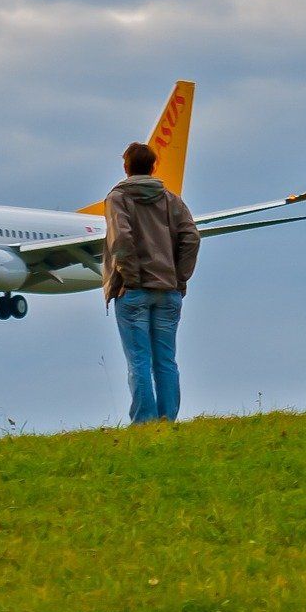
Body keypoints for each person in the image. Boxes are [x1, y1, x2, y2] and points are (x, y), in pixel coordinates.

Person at [101, 141, 200, 424]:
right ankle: (168, 420)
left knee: (139, 361)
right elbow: (192, 238)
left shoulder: (118, 198)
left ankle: (144, 422)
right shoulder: (172, 200)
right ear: (154, 166)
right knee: (166, 361)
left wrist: (131, 278)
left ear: (125, 166)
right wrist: (179, 277)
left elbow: (120, 239)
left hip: (134, 293)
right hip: (168, 291)